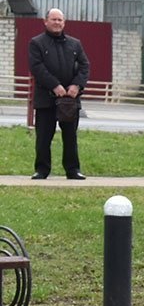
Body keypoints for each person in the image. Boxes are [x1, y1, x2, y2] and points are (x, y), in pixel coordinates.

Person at [28, 9, 88, 180]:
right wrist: (55, 85)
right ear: (45, 21)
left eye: (60, 20)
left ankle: (73, 170)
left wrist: (77, 85)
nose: (57, 23)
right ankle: (42, 170)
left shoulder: (75, 44)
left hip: (69, 101)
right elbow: (37, 67)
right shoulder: (36, 43)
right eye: (53, 19)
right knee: (43, 137)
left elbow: (85, 66)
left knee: (70, 137)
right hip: (46, 98)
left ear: (64, 22)